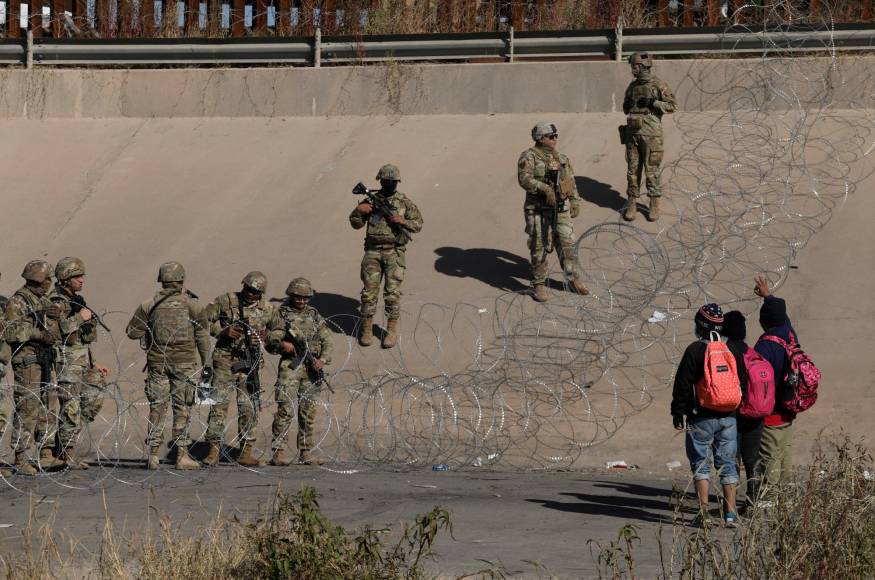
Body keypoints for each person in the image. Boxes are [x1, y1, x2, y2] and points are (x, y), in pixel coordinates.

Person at [125, 262, 211, 470]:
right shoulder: (192, 305)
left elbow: (131, 332)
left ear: (161, 279)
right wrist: (205, 362)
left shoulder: (148, 305)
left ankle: (153, 456)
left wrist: (150, 329)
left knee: (157, 408)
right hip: (184, 364)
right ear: (181, 280)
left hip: (158, 363)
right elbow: (202, 335)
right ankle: (182, 456)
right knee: (182, 409)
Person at [671, 304, 742, 527]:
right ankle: (730, 514)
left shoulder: (695, 350)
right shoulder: (732, 348)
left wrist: (678, 411)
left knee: (701, 463)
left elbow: (682, 384)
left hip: (700, 416)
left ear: (700, 326)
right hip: (729, 415)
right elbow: (743, 380)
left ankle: (702, 514)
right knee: (728, 463)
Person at [202, 271, 274, 467]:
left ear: (261, 293)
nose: (250, 293)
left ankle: (245, 452)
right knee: (219, 406)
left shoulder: (268, 309)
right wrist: (221, 331)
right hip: (224, 361)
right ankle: (213, 451)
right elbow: (201, 320)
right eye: (248, 289)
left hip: (249, 364)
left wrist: (263, 336)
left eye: (255, 291)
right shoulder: (226, 301)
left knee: (248, 409)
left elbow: (279, 331)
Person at [349, 164, 423, 348]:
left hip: (394, 252)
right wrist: (360, 211)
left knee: (392, 294)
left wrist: (402, 220)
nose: (388, 184)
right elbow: (355, 224)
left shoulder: (404, 202)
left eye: (392, 181)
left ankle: (391, 330)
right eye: (385, 181)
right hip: (372, 252)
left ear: (396, 182)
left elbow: (419, 223)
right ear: (380, 181)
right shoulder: (371, 200)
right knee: (369, 293)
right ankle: (366, 329)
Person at [49, 257, 110, 470]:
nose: (82, 280)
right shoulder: (56, 302)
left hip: (83, 360)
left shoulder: (76, 301)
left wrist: (94, 362)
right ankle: (67, 454)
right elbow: (55, 332)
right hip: (67, 362)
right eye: (77, 277)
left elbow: (82, 337)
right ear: (66, 278)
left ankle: (66, 444)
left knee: (92, 401)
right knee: (71, 407)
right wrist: (80, 318)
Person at [517, 122, 589, 302]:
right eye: (551, 136)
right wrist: (544, 189)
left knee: (568, 242)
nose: (555, 139)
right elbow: (524, 180)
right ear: (541, 139)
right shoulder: (529, 157)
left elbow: (569, 180)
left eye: (556, 136)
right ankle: (539, 284)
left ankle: (573, 278)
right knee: (539, 245)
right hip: (539, 209)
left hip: (560, 208)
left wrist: (574, 200)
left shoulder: (561, 158)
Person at [266, 278, 333, 466]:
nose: (302, 301)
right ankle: (278, 452)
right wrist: (282, 345)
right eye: (298, 297)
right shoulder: (281, 315)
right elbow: (271, 339)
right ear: (291, 295)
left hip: (311, 369)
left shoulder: (314, 315)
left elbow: (327, 340)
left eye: (306, 298)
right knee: (285, 409)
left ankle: (305, 451)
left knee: (308, 412)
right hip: (291, 366)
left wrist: (322, 360)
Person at [753, 276, 797, 489]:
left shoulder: (764, 347)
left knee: (770, 456)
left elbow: (759, 382)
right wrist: (767, 296)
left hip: (771, 412)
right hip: (789, 406)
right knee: (785, 452)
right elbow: (782, 317)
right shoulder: (789, 334)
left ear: (764, 323)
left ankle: (769, 501)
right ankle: (784, 500)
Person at [621, 52, 676, 222]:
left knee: (651, 169)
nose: (633, 69)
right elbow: (626, 107)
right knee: (632, 170)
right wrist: (627, 106)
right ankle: (632, 202)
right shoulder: (632, 86)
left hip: (651, 134)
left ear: (643, 66)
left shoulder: (658, 85)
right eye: (632, 66)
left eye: (635, 66)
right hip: (633, 134)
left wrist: (654, 103)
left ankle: (654, 202)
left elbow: (672, 106)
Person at [723, 310, 763, 505]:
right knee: (753, 459)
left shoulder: (726, 352)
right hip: (756, 412)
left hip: (734, 413)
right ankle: (753, 501)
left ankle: (730, 503)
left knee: (732, 459)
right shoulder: (752, 352)